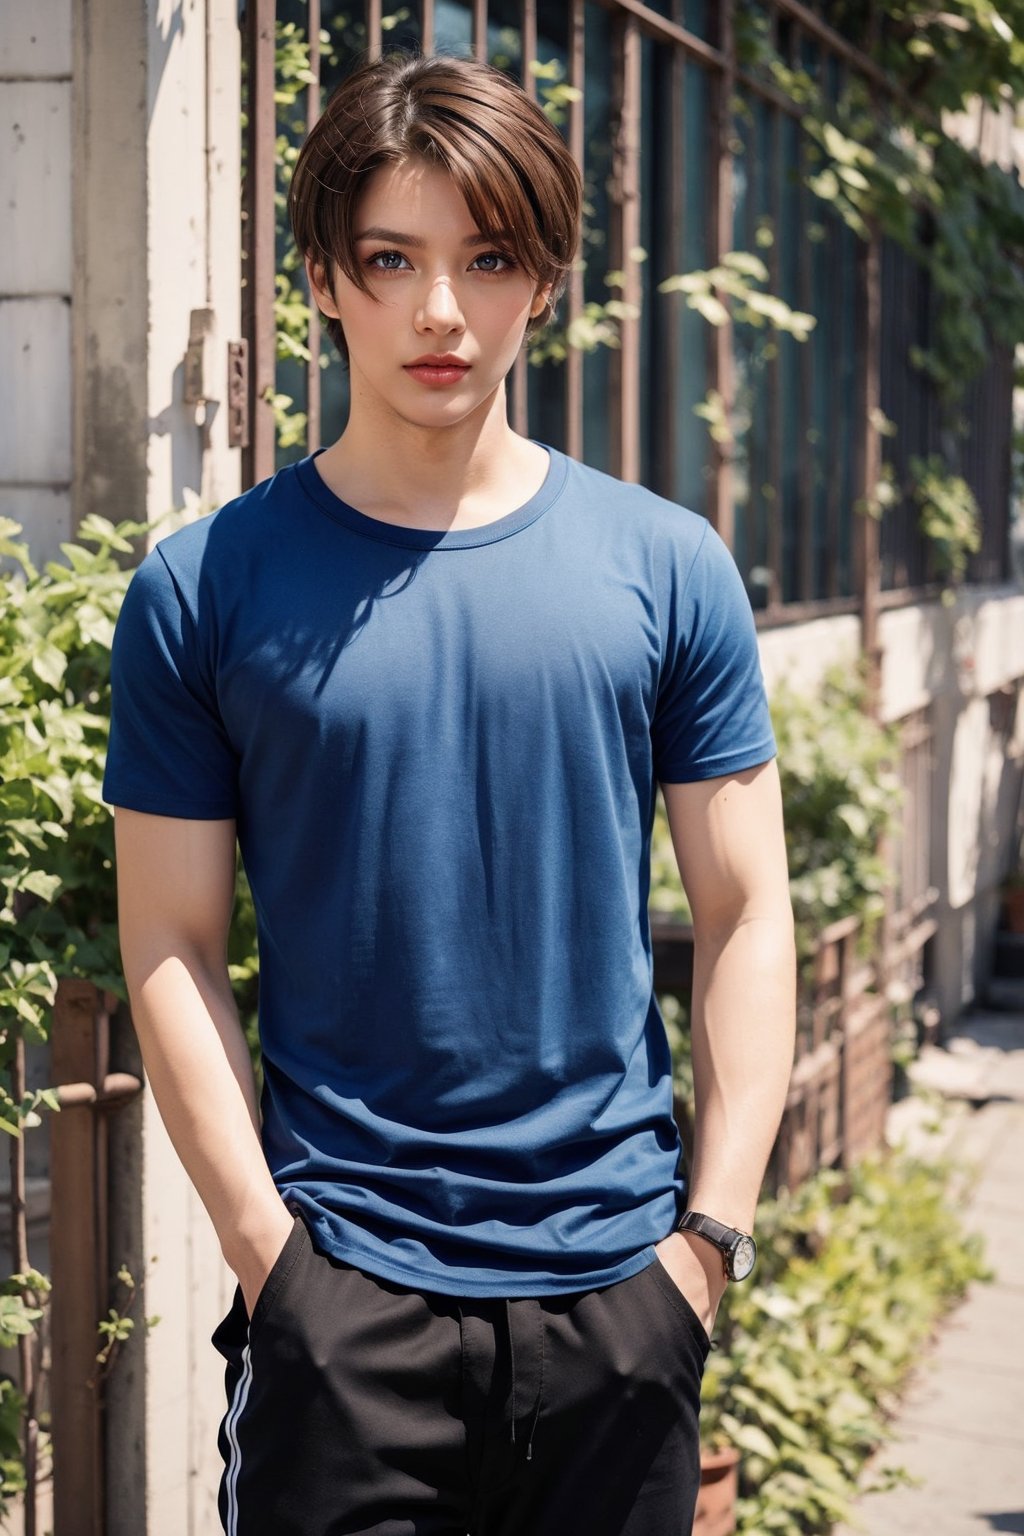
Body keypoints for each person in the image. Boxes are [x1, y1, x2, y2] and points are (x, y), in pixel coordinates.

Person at [103, 50, 796, 1536]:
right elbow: (167, 939)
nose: (439, 310)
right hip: (343, 1311)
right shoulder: (204, 588)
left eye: (486, 259)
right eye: (391, 259)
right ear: (324, 281)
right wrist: (272, 1264)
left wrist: (705, 1254)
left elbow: (745, 914)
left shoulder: (665, 567)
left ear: (540, 280)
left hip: (618, 1301)